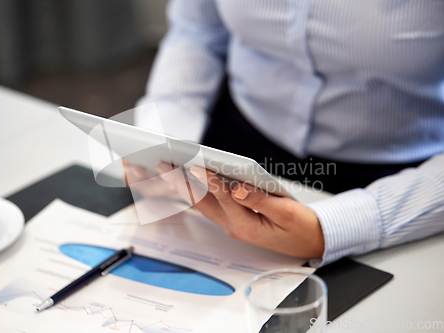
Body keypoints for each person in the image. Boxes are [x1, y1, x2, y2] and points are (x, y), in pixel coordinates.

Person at [126, 0, 444, 266]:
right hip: (231, 151)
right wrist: (164, 138)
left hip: (397, 181)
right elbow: (197, 31)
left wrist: (341, 227)